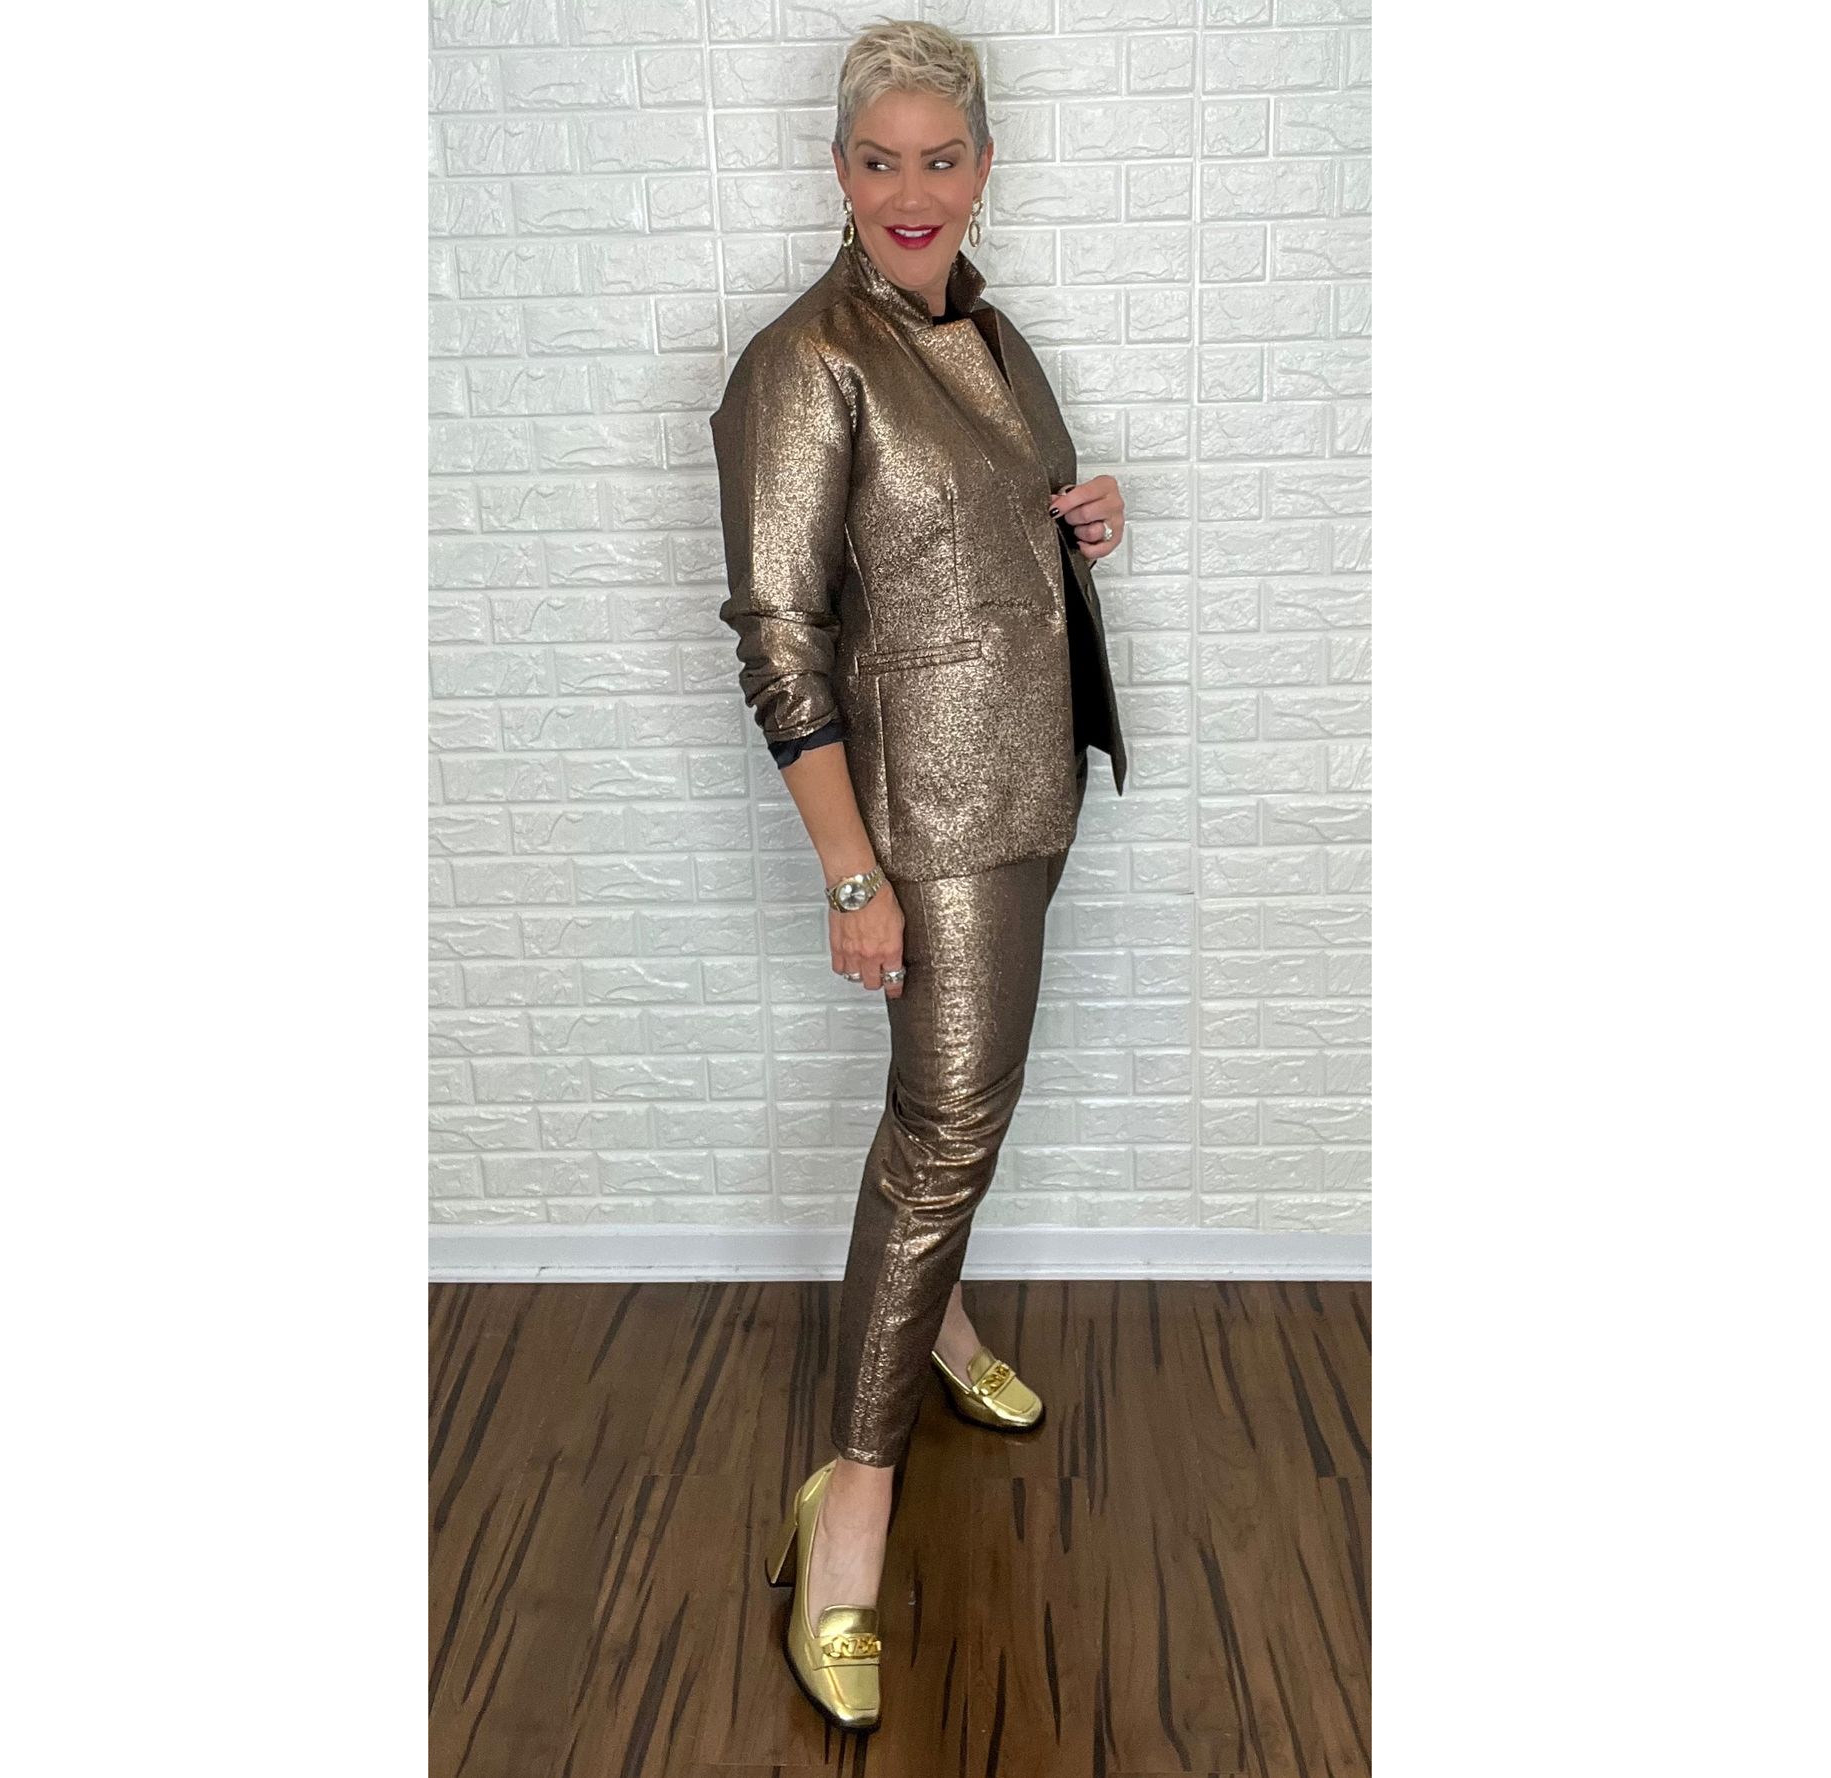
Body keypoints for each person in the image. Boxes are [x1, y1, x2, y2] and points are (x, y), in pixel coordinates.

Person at [709, 18, 1128, 1734]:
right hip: (923, 828)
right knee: (948, 1126)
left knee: (951, 1110)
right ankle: (853, 1505)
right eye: (878, 159)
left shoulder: (987, 330)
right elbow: (781, 635)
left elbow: (966, 530)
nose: (910, 189)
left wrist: (1074, 517)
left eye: (939, 158)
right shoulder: (802, 363)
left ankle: (938, 1328)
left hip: (1028, 788)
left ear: (982, 169)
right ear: (838, 170)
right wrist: (849, 874)